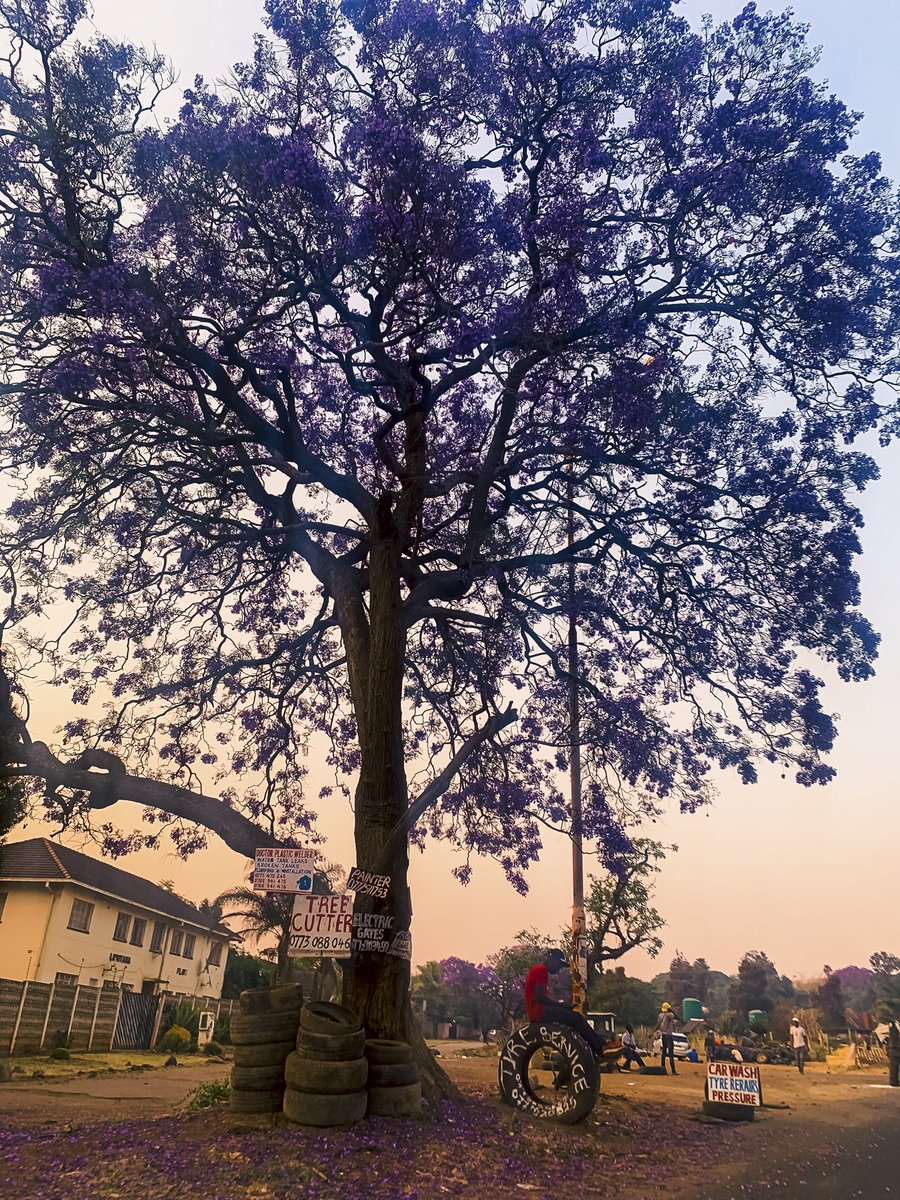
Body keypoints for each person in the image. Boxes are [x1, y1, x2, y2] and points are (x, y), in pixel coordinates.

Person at [523, 948, 606, 1057]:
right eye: (559, 965)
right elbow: (540, 997)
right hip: (539, 1012)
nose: (559, 969)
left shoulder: (537, 968)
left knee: (574, 1018)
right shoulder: (541, 970)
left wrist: (563, 1008)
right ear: (552, 959)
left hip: (537, 1011)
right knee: (576, 1018)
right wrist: (561, 1006)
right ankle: (601, 1048)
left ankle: (601, 1046)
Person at [656, 1002, 677, 1074]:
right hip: (669, 1035)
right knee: (671, 1053)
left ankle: (662, 1069)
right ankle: (673, 1071)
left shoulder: (660, 1015)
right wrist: (671, 1010)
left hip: (663, 1035)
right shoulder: (670, 1015)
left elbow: (658, 1024)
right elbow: (677, 1017)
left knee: (664, 1052)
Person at [887, 1020, 899, 1088]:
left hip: (894, 1047)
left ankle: (894, 1081)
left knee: (894, 1065)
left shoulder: (892, 1025)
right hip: (894, 1047)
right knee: (894, 1065)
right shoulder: (892, 1026)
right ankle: (893, 1081)